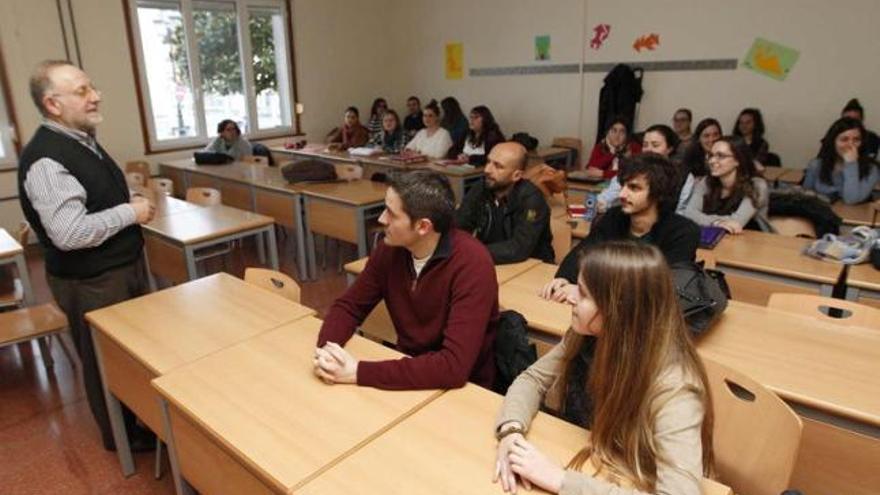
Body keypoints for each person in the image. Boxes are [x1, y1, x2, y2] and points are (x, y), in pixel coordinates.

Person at [494, 241, 714, 495]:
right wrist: (511, 431)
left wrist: (561, 480)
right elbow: (532, 379)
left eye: (584, 294)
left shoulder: (675, 386)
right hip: (597, 458)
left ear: (619, 309)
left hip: (630, 476)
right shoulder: (588, 335)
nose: (570, 297)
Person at [18, 60, 157, 451]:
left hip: (115, 269)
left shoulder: (81, 140)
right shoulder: (47, 158)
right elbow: (70, 233)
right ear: (53, 104)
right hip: (92, 280)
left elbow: (90, 201)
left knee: (131, 355)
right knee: (104, 361)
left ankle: (141, 420)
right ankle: (122, 438)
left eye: (91, 87)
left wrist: (125, 202)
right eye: (81, 91)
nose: (95, 96)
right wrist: (130, 212)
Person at [314, 170, 498, 390]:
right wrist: (328, 351)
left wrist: (358, 372)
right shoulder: (390, 250)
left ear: (423, 226)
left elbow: (453, 367)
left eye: (391, 214)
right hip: (410, 372)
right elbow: (349, 307)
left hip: (465, 389)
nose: (381, 219)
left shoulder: (472, 263)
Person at [542, 153, 699, 303]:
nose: (622, 194)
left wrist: (586, 292)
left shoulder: (683, 232)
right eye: (623, 185)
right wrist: (563, 278)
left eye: (634, 188)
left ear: (658, 193)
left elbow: (658, 288)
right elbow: (584, 252)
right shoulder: (613, 217)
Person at [455, 142, 555, 264]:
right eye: (488, 162)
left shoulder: (532, 199)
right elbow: (459, 226)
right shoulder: (481, 188)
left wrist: (473, 252)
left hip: (531, 266)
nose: (487, 170)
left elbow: (519, 248)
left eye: (498, 166)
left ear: (517, 175)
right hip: (489, 260)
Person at [597, 124, 694, 214]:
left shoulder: (683, 176)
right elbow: (605, 198)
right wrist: (602, 204)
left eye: (655, 145)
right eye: (645, 145)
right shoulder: (631, 168)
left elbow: (682, 213)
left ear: (669, 149)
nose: (649, 150)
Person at [683, 136, 770, 234]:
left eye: (720, 156)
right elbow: (689, 213)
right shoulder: (706, 181)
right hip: (717, 238)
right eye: (711, 155)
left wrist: (702, 219)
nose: (712, 161)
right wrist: (715, 222)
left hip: (754, 241)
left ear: (738, 160)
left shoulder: (757, 185)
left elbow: (738, 222)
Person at [803, 117, 880, 204]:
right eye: (844, 139)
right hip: (822, 214)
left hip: (853, 216)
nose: (851, 145)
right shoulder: (816, 165)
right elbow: (805, 197)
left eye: (856, 140)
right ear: (833, 142)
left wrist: (851, 164)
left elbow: (850, 200)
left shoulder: (871, 169)